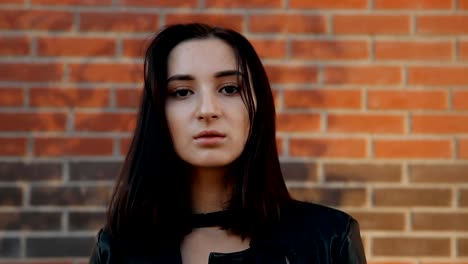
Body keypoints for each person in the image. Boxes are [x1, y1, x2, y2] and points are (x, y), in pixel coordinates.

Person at [89, 23, 367, 264]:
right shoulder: (119, 248)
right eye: (182, 92)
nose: (207, 110)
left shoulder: (329, 238)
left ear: (257, 109)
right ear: (158, 115)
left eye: (230, 89)